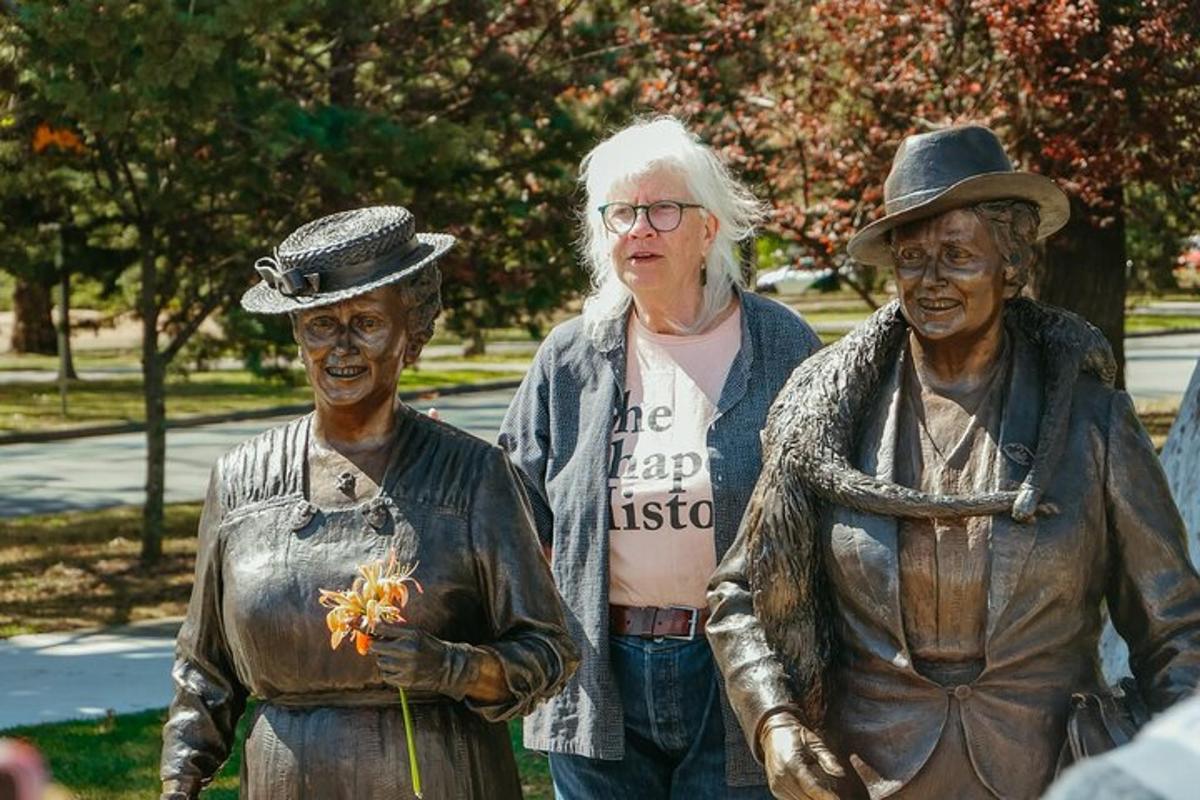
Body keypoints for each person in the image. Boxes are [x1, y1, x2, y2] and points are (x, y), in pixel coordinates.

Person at [706, 125, 1200, 800]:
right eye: (912, 258)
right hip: (866, 774)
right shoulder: (826, 421)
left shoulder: (1090, 423)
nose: (931, 279)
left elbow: (1174, 630)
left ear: (1012, 265)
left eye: (958, 255)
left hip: (1054, 772)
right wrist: (775, 721)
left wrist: (1168, 772)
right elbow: (740, 594)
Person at [159, 206, 579, 800]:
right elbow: (205, 671)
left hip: (443, 778)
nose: (342, 347)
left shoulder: (474, 476)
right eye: (321, 324)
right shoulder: (239, 479)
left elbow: (549, 651)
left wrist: (453, 667)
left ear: (412, 334)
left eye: (366, 322)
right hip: (286, 782)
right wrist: (180, 783)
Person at [498, 116, 821, 798]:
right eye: (621, 212)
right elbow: (512, 504)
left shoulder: (782, 344)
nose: (639, 228)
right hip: (597, 667)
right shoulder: (570, 355)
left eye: (663, 209)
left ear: (709, 230)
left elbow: (830, 508)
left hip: (742, 670)